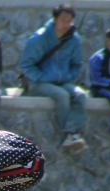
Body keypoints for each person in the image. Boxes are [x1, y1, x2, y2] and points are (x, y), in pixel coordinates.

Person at [19, 3, 87, 154]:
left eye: (69, 21)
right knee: (62, 95)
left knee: (80, 95)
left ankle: (75, 133)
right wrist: (43, 77)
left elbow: (76, 65)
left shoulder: (73, 39)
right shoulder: (39, 38)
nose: (66, 24)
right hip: (39, 83)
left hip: (62, 82)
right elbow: (25, 65)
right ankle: (68, 135)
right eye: (63, 20)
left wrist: (68, 76)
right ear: (55, 19)